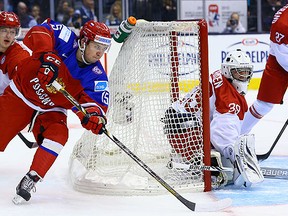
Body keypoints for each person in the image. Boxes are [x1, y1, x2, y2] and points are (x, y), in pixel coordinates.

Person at [0, 18, 112, 204]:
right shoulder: (66, 38)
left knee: (59, 134)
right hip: (21, 94)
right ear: (83, 42)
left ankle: (32, 178)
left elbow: (95, 107)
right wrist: (46, 56)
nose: (100, 52)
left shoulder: (96, 77)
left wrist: (94, 118)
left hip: (51, 108)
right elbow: (39, 30)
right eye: (96, 46)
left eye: (104, 48)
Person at [162, 49, 264, 188]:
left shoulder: (220, 78)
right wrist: (236, 156)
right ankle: (195, 164)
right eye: (239, 72)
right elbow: (221, 131)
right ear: (228, 71)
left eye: (246, 71)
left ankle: (185, 157)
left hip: (177, 124)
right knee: (222, 156)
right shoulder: (228, 96)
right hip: (185, 133)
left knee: (218, 143)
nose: (243, 76)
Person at [241, 4, 288, 134]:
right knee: (263, 105)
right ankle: (237, 134)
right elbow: (283, 58)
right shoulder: (283, 23)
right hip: (279, 64)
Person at [0, 11, 31, 95]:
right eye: (4, 30)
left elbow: (20, 93)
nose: (8, 36)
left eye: (12, 32)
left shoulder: (18, 55)